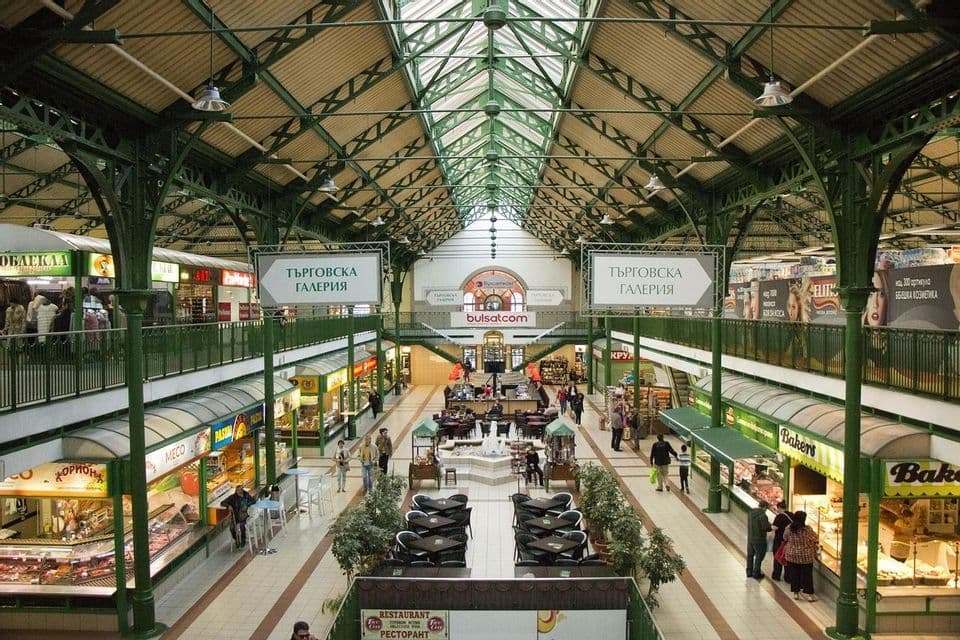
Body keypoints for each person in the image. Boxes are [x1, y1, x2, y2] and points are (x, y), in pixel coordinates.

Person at [783, 510, 819, 601]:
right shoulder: (807, 529)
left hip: (792, 555)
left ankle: (796, 593)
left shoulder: (789, 528)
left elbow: (785, 537)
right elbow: (815, 538)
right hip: (806, 556)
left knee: (794, 574)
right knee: (807, 575)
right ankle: (810, 595)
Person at [222, 484, 256, 549]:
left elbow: (253, 501)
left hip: (245, 516)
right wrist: (228, 506)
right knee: (232, 528)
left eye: (240, 490)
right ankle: (236, 540)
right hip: (236, 516)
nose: (239, 492)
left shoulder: (246, 496)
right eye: (238, 490)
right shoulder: (233, 497)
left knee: (242, 526)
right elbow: (223, 502)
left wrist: (247, 505)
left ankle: (243, 540)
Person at [746, 500, 772, 579]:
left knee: (750, 555)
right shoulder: (763, 515)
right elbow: (766, 528)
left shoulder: (750, 513)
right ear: (764, 507)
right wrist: (770, 527)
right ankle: (756, 573)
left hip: (750, 538)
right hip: (759, 539)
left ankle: (749, 572)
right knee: (759, 556)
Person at [771, 501, 793, 582]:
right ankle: (788, 577)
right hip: (789, 541)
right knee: (787, 558)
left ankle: (776, 575)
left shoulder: (779, 516)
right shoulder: (792, 515)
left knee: (778, 557)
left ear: (779, 508)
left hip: (780, 541)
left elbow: (774, 528)